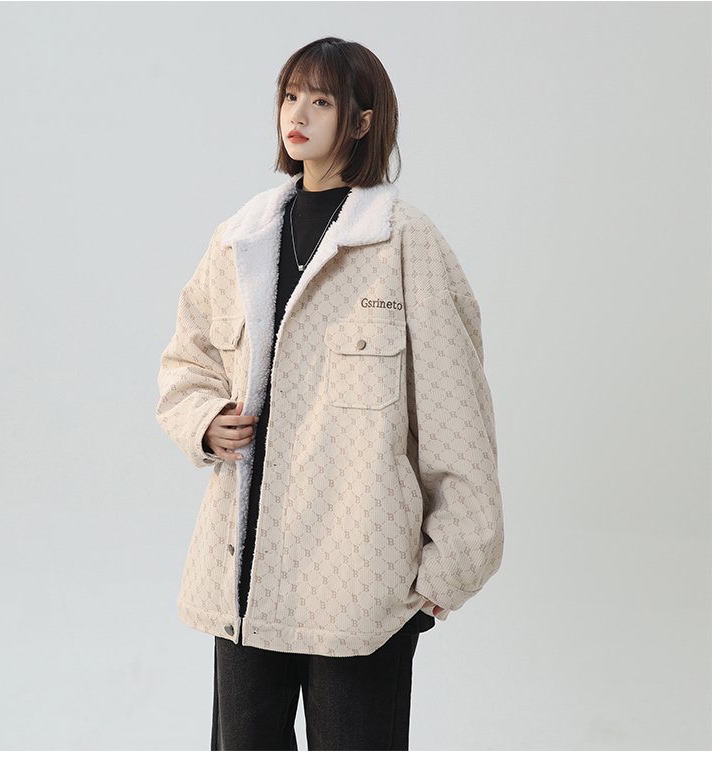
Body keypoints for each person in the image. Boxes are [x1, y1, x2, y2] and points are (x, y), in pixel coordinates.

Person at [156, 37, 504, 751]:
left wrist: (446, 571)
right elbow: (186, 359)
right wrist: (205, 419)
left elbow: (455, 414)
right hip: (244, 584)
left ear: (362, 121)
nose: (299, 114)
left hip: (362, 589)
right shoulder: (241, 238)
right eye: (291, 97)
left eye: (321, 101)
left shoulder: (404, 242)